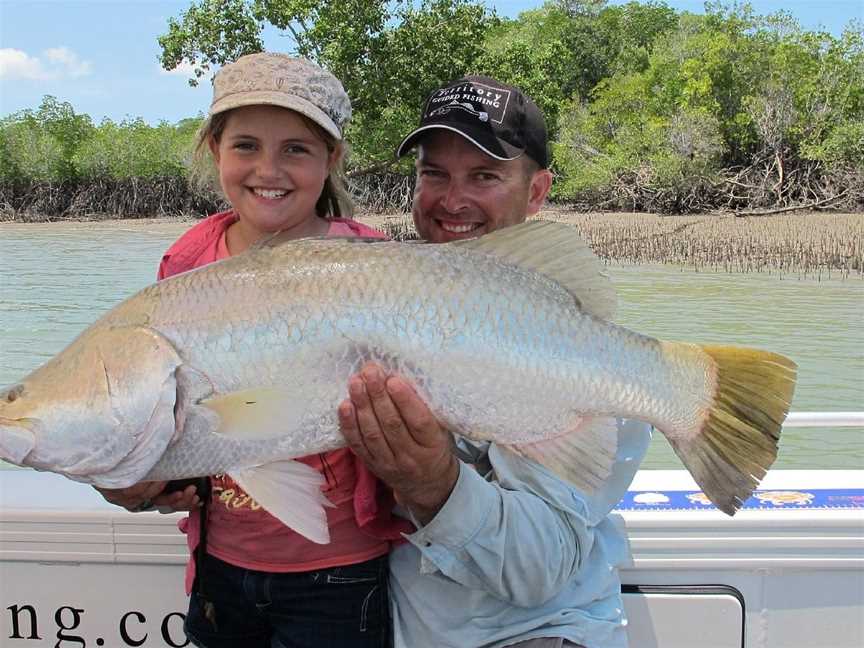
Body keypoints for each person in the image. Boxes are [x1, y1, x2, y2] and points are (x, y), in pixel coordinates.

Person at [95, 52, 410, 648]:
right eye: (245, 145)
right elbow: (166, 414)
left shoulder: (375, 263)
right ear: (214, 149)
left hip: (344, 569)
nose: (269, 168)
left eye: (296, 148)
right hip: (219, 564)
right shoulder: (183, 263)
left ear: (331, 160)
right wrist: (139, 480)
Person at [338, 75, 653, 648]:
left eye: (484, 176)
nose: (452, 201)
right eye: (434, 174)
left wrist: (433, 483)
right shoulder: (376, 295)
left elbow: (539, 570)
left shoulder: (593, 356)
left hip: (541, 633)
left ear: (536, 192)